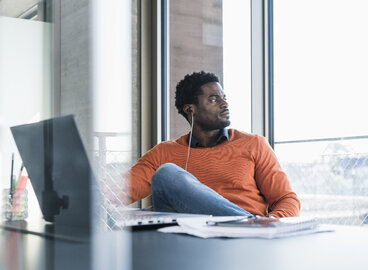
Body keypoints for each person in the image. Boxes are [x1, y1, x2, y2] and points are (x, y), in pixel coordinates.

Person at [126, 71, 300, 217]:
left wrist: (270, 224)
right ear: (190, 109)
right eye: (214, 99)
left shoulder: (254, 144)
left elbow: (286, 199)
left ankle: (249, 225)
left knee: (166, 174)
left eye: (224, 97)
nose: (225, 104)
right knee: (166, 176)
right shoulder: (163, 152)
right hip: (190, 242)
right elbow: (119, 191)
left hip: (245, 238)